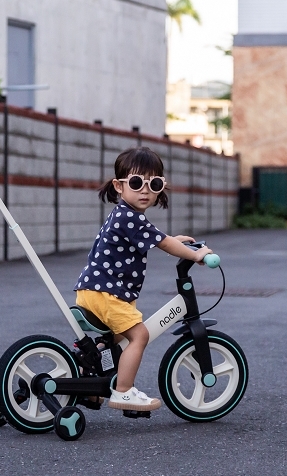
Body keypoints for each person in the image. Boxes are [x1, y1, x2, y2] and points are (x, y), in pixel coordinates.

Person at [73, 146, 212, 412]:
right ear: (119, 186)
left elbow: (161, 239)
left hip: (96, 290)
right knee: (139, 336)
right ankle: (124, 391)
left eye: (154, 183)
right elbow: (164, 244)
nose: (145, 190)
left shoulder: (127, 216)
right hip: (105, 294)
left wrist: (175, 241)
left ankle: (88, 382)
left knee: (110, 341)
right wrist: (197, 256)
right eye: (137, 182)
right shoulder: (129, 216)